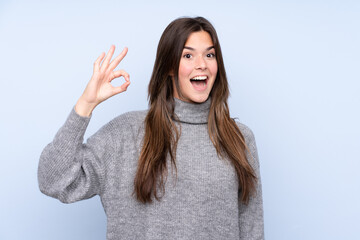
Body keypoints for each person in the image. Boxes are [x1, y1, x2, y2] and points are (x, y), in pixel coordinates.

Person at [38, 16, 264, 240]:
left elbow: (251, 228)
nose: (202, 64)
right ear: (169, 68)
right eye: (188, 55)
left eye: (209, 54)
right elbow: (53, 180)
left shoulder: (240, 139)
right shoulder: (126, 133)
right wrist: (85, 105)